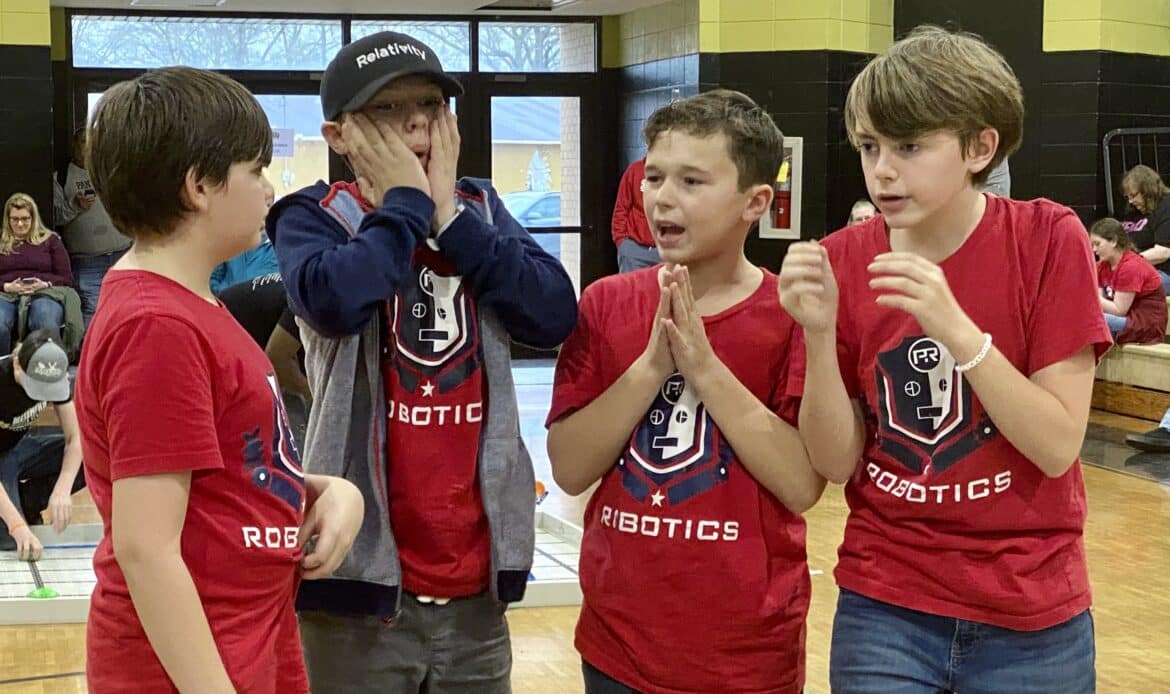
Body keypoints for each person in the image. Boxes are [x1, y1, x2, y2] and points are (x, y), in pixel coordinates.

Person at [780, 26, 1109, 693]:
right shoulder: (841, 258)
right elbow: (836, 464)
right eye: (869, 146)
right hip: (887, 603)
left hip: (1032, 608)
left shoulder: (1047, 238)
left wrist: (956, 329)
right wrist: (816, 335)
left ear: (980, 148)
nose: (882, 170)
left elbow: (1055, 446)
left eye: (909, 146)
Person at [270, 31, 578, 692]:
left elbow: (553, 313)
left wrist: (448, 217)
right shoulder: (314, 216)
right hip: (358, 586)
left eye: (431, 106)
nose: (416, 123)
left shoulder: (480, 210)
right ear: (339, 134)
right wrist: (408, 205)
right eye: (388, 109)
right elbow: (334, 300)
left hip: (474, 589)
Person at [78, 66, 364, 694]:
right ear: (200, 185)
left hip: (250, 640)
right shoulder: (156, 325)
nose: (268, 189)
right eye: (255, 170)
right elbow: (147, 548)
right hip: (190, 667)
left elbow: (230, 473)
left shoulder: (195, 307)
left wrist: (327, 491)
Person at [546, 89, 825, 694]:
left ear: (755, 202)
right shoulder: (606, 303)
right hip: (619, 644)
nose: (662, 198)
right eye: (654, 177)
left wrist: (705, 368)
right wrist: (651, 367)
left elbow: (802, 485)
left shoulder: (790, 314)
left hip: (747, 653)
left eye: (692, 181)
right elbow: (569, 469)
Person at [0, 329, 84, 558]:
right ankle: (16, 509)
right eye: (35, 386)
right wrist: (16, 526)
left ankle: (27, 502)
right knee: (11, 541)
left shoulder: (53, 374)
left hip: (17, 449)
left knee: (96, 452)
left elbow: (75, 438)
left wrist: (62, 490)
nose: (41, 395)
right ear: (17, 364)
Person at [52, 126, 131, 327]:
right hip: (88, 262)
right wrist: (75, 206)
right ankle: (92, 349)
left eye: (92, 143)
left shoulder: (111, 171)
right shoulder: (62, 177)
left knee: (126, 308)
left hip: (123, 254)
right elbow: (55, 217)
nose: (88, 148)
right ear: (74, 146)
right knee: (93, 312)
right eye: (83, 143)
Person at [0, 194, 76, 355]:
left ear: (33, 218)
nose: (20, 224)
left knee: (45, 321)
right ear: (8, 219)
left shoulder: (50, 240)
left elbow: (66, 278)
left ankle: (47, 366)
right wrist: (6, 286)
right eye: (15, 219)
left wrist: (45, 283)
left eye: (25, 219)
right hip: (5, 294)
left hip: (44, 292)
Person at [1089, 217, 1166, 344]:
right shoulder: (1103, 265)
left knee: (1089, 321)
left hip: (1143, 325)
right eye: (1092, 245)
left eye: (1098, 244)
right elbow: (1100, 302)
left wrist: (1088, 297)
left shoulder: (1130, 267)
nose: (1094, 250)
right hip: (1125, 319)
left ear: (1113, 241)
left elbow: (1119, 310)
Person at [210, 176, 280, 294]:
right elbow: (211, 279)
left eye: (269, 205)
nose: (266, 212)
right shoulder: (228, 241)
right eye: (260, 204)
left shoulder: (277, 252)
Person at [1120, 164, 1170, 294]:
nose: (1130, 201)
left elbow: (1164, 252)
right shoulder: (1133, 211)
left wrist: (1127, 263)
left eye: (1133, 195)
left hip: (1163, 271)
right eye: (1128, 197)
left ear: (1147, 190)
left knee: (1123, 286)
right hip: (1132, 268)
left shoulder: (1166, 207)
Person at [612, 158, 661, 272]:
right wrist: (622, 243)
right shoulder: (634, 170)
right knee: (629, 284)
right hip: (634, 249)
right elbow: (621, 208)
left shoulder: (673, 173)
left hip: (665, 250)